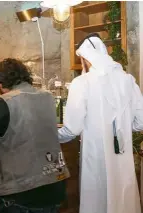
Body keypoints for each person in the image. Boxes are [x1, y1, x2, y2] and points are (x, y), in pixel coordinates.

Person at [0, 58, 69, 213]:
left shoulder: (6, 101)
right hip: (57, 183)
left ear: (1, 84)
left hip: (25, 190)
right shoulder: (48, 97)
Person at [58, 33, 143, 213]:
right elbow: (141, 121)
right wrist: (123, 129)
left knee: (97, 200)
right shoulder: (128, 80)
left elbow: (72, 128)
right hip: (123, 156)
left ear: (85, 58)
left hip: (95, 158)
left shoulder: (82, 82)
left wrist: (51, 135)